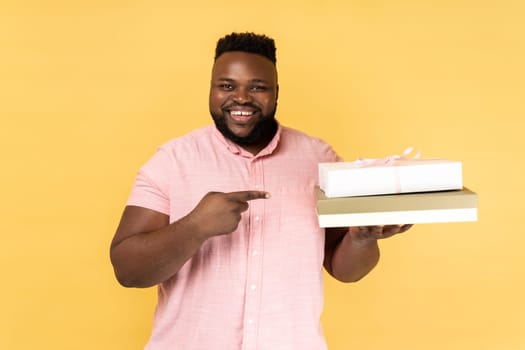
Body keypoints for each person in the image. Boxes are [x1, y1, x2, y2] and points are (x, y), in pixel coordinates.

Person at [110, 32, 412, 350]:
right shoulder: (172, 161)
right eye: (227, 86)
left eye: (257, 87)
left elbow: (345, 270)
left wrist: (361, 238)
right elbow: (128, 271)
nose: (241, 98)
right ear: (211, 89)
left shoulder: (320, 159)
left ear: (276, 92)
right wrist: (195, 227)